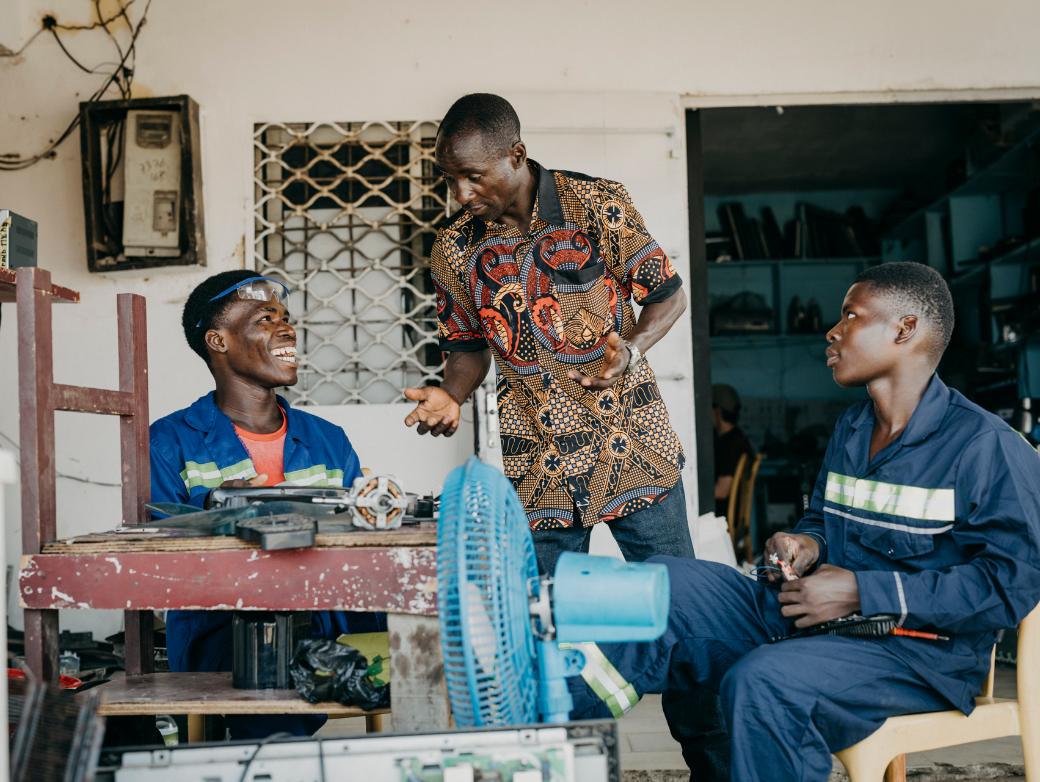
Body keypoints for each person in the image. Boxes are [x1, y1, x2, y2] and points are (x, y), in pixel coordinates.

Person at [566, 262, 1040, 781]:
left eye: (851, 316)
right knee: (664, 583)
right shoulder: (854, 427)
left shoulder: (984, 445)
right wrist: (806, 543)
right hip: (815, 620)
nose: (832, 331)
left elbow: (1013, 584)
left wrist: (863, 591)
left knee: (764, 682)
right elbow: (821, 519)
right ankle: (541, 747)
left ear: (905, 329)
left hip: (914, 653)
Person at [403, 93, 693, 576]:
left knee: (683, 601)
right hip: (539, 466)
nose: (461, 193)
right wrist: (451, 394)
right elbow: (467, 349)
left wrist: (633, 352)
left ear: (516, 155)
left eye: (474, 176)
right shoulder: (453, 249)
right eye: (450, 178)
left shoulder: (599, 204)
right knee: (543, 618)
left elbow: (668, 296)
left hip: (635, 448)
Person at [150, 270, 383, 739]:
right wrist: (219, 513)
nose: (286, 328)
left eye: (286, 317)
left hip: (331, 626)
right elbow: (158, 567)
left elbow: (365, 542)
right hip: (225, 634)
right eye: (264, 319)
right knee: (266, 665)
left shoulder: (327, 440)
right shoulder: (170, 441)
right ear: (218, 340)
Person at [711, 383, 753, 519]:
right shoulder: (737, 438)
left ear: (717, 411)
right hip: (727, 518)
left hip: (720, 520)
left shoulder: (730, 443)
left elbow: (721, 491)